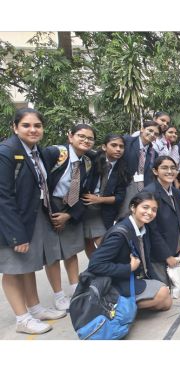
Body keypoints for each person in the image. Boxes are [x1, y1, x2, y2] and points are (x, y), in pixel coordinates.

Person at [0, 108, 66, 335]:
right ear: (15, 128)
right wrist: (16, 234)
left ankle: (35, 309)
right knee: (13, 268)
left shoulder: (35, 152)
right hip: (10, 221)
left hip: (32, 214)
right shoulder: (7, 152)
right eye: (26, 125)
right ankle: (22, 318)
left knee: (27, 265)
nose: (33, 129)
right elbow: (3, 196)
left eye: (37, 125)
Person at [87, 192, 172, 311]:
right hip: (115, 281)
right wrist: (129, 268)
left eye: (154, 209)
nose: (150, 213)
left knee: (166, 302)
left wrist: (155, 281)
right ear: (133, 207)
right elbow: (94, 265)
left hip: (133, 277)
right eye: (145, 207)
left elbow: (146, 261)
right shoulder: (120, 234)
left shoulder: (143, 227)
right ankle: (110, 306)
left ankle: (127, 306)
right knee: (162, 293)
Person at [43, 123, 96, 310]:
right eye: (81, 136)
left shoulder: (88, 162)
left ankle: (75, 288)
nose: (85, 141)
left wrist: (69, 215)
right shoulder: (56, 154)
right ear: (70, 136)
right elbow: (38, 182)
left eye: (90, 138)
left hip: (70, 206)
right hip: (48, 205)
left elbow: (84, 193)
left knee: (71, 250)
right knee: (52, 254)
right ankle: (59, 296)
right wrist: (49, 211)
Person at [143, 156, 180, 285]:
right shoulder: (149, 193)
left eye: (173, 168)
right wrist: (167, 256)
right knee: (164, 290)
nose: (170, 171)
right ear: (155, 171)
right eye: (164, 168)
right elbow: (151, 230)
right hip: (157, 253)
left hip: (173, 247)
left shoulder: (176, 192)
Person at [82, 134, 128, 258]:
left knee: (103, 242)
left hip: (103, 209)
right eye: (114, 145)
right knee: (88, 240)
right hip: (83, 206)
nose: (118, 149)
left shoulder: (123, 168)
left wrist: (98, 199)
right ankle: (95, 268)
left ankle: (102, 266)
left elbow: (119, 197)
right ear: (104, 147)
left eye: (121, 146)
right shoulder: (93, 159)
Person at [119, 120, 160, 218]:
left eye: (156, 134)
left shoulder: (154, 153)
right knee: (123, 214)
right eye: (150, 130)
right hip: (125, 184)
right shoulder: (127, 141)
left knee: (137, 214)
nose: (152, 134)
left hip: (142, 187)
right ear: (142, 129)